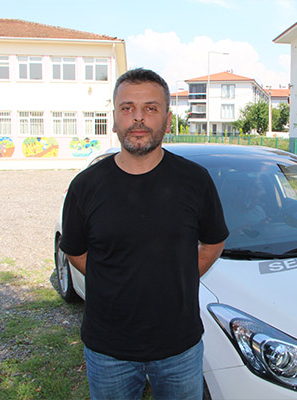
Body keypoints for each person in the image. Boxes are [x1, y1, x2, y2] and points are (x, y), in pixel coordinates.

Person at [59, 68, 229, 400]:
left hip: (179, 347)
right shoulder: (85, 186)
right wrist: (114, 279)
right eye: (127, 108)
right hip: (108, 350)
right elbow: (75, 251)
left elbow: (213, 243)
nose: (138, 118)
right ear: (114, 119)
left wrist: (176, 277)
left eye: (151, 108)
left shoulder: (195, 181)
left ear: (167, 120)